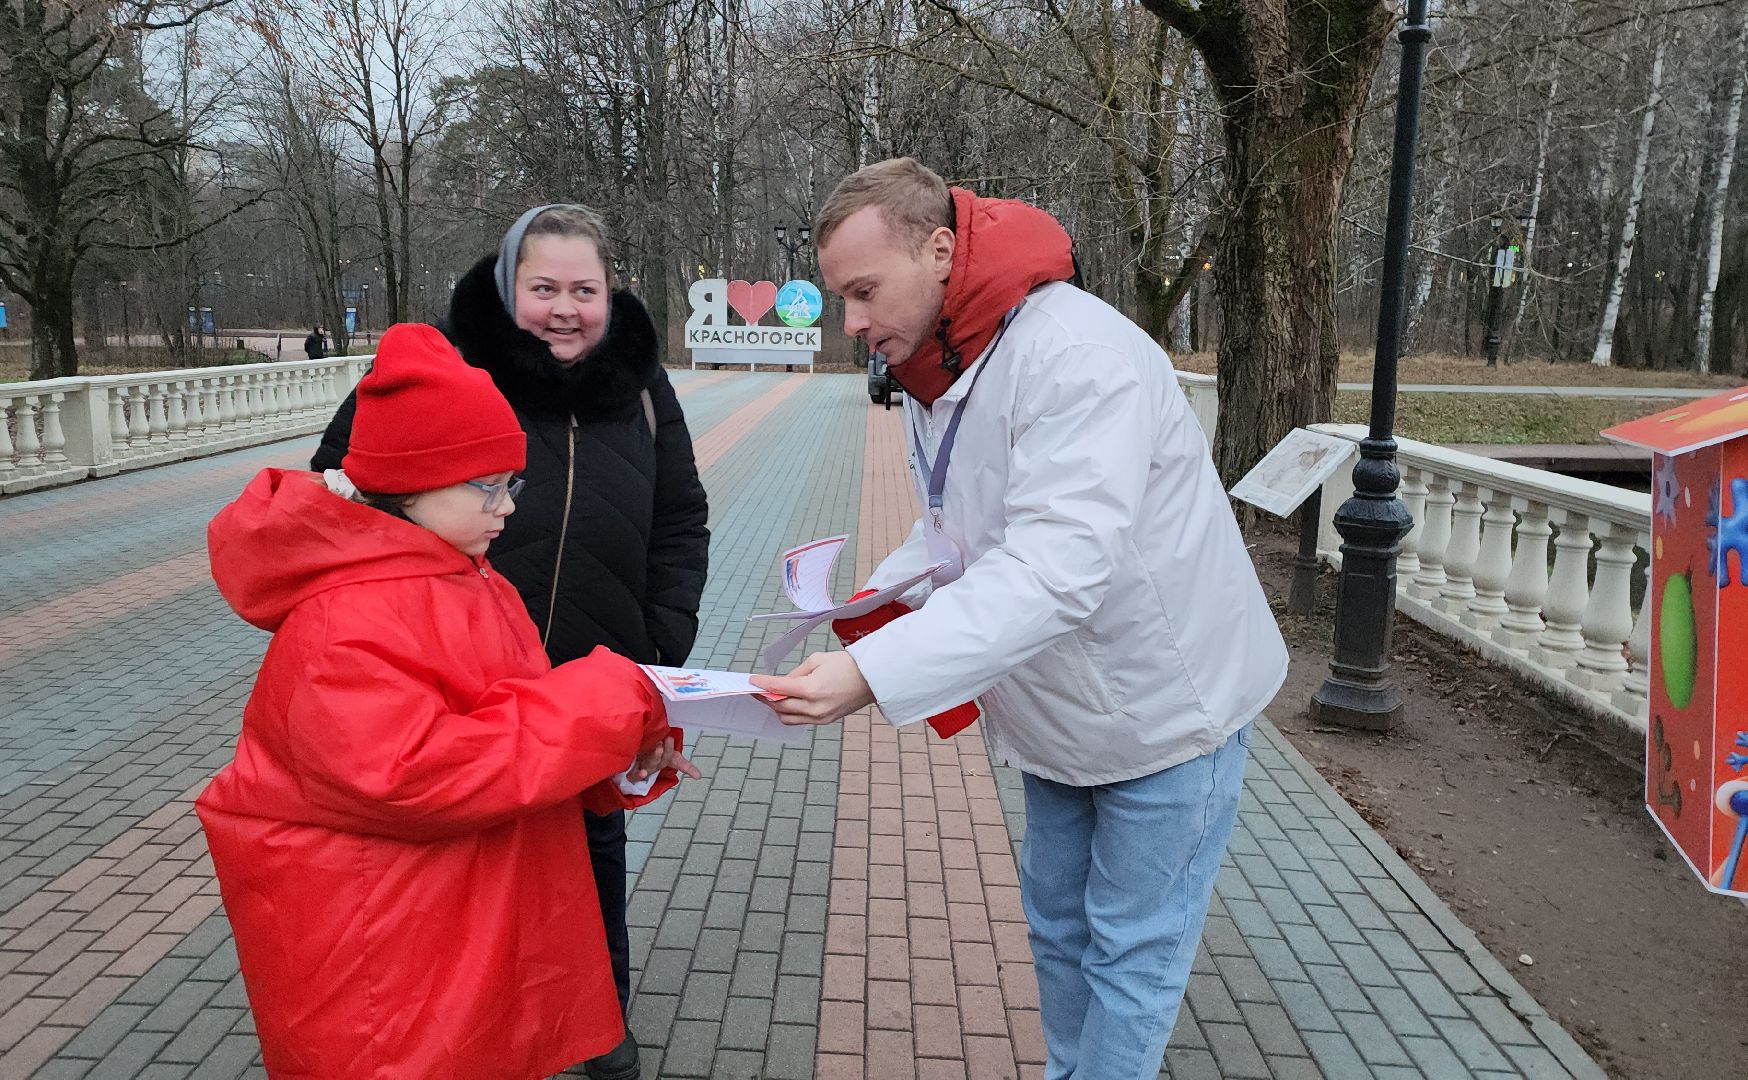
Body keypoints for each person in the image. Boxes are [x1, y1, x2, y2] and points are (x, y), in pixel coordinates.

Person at [752, 158, 1289, 1080]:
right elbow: (966, 533)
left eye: (865, 291)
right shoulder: (947, 358)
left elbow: (1056, 568)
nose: (852, 323)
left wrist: (872, 673)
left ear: (940, 248)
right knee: (1057, 927)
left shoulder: (1074, 354)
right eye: (842, 298)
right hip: (1061, 711)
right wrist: (870, 603)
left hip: (1168, 715)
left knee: (1132, 954)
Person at [197, 322, 698, 1079]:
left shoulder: (464, 574)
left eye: (512, 484)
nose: (508, 508)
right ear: (404, 486)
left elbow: (507, 727)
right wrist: (606, 704)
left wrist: (615, 757)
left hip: (444, 934)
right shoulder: (348, 616)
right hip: (388, 967)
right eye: (486, 487)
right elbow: (414, 774)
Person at [309, 205, 708, 1080]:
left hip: (592, 677)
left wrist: (657, 650)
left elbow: (680, 519)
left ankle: (598, 1022)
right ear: (508, 289)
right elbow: (343, 488)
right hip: (462, 683)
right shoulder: (445, 370)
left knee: (593, 849)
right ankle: (464, 1028)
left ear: (611, 293)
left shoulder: (639, 387)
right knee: (467, 859)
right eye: (544, 289)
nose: (565, 309)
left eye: (584, 289)